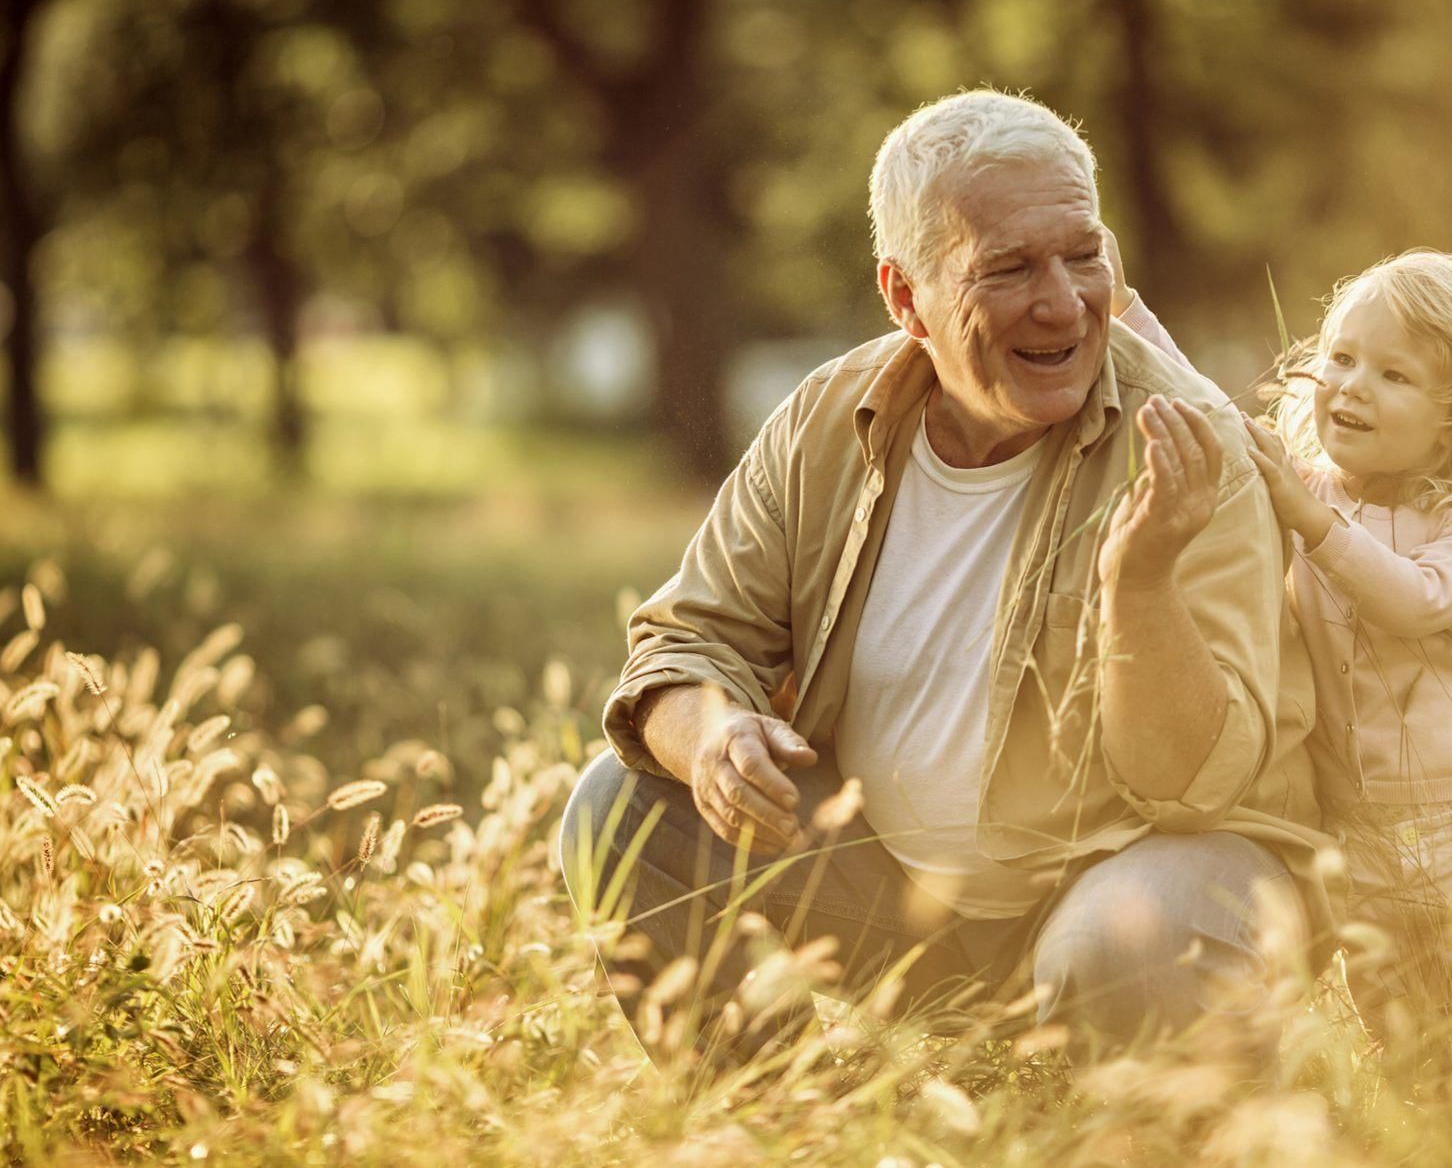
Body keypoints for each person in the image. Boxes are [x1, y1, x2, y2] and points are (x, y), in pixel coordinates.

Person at [559, 89, 1335, 1066]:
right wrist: (713, 741)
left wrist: (1138, 589)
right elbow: (686, 641)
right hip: (902, 907)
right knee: (617, 810)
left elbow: (1193, 789)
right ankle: (790, 1131)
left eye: (1083, 255)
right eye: (1008, 268)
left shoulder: (1183, 443)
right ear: (903, 296)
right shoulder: (827, 419)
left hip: (1138, 890)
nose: (1062, 301)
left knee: (1131, 944)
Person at [1119, 247, 1452, 1038]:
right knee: (1409, 1029)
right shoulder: (1308, 485)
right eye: (1340, 357)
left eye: (1394, 375)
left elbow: (1412, 600)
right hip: (1357, 832)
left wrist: (1310, 520)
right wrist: (1123, 308)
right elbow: (1205, 405)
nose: (1351, 386)